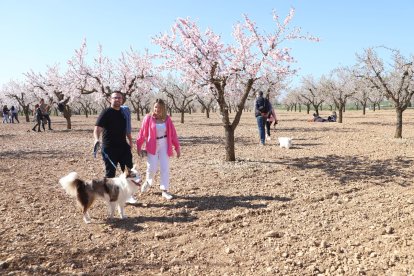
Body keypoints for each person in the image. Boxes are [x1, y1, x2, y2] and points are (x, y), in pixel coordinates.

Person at [93, 92, 136, 201]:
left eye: (119, 98)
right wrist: (96, 139)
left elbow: (127, 129)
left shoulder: (123, 112)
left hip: (123, 147)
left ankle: (129, 195)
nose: (117, 99)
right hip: (109, 148)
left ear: (122, 100)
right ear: (110, 99)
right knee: (110, 173)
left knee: (128, 171)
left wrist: (130, 141)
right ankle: (110, 195)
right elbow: (97, 128)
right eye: (115, 97)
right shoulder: (106, 112)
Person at [136, 98, 181, 200]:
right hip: (152, 144)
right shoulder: (148, 118)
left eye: (160, 107)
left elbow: (173, 134)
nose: (158, 109)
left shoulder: (167, 119)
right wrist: (139, 145)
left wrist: (177, 147)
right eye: (156, 107)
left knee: (165, 167)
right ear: (153, 107)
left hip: (164, 144)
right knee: (152, 167)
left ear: (163, 108)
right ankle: (148, 181)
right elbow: (142, 132)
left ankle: (164, 190)